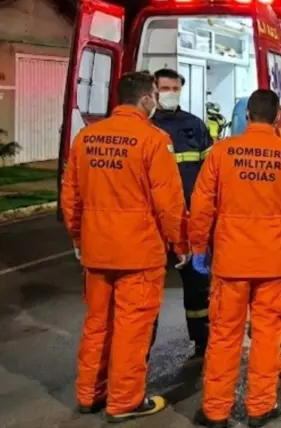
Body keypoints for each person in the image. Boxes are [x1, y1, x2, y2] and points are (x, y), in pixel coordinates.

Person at [60, 71, 189, 422]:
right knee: (132, 329)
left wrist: (77, 237)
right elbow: (169, 202)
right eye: (155, 96)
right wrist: (181, 244)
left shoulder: (87, 137)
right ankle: (125, 401)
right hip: (138, 252)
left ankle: (89, 394)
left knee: (97, 324)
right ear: (146, 99)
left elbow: (71, 196)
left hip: (97, 249)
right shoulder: (153, 139)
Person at [189, 89, 281, 428]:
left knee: (223, 337)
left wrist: (198, 247)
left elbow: (202, 205)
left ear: (247, 116)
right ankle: (260, 407)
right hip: (273, 264)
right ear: (278, 119)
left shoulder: (222, 153)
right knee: (266, 337)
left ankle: (216, 412)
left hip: (231, 263)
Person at [149, 68, 213, 360]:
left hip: (188, 219)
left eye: (175, 88)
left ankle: (202, 339)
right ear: (153, 89)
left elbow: (210, 175)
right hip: (151, 223)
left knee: (198, 283)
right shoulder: (145, 128)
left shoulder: (195, 126)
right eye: (165, 88)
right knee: (146, 289)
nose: (171, 93)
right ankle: (141, 347)